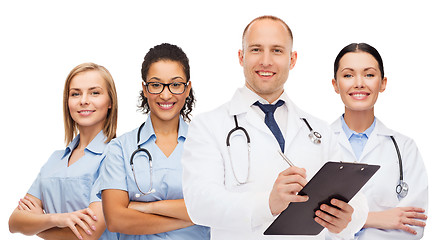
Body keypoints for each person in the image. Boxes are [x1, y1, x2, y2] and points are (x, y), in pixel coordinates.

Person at [181, 15, 367, 240]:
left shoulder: (319, 131)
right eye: (256, 49)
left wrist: (347, 218)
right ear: (241, 57)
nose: (266, 61)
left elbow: (357, 198)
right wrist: (267, 204)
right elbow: (199, 204)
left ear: (292, 59)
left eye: (277, 51)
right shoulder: (208, 126)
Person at [98, 43, 210, 240]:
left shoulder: (207, 145)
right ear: (145, 89)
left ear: (187, 88)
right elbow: (116, 219)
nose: (166, 95)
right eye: (156, 85)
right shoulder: (120, 149)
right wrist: (189, 217)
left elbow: (214, 207)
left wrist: (148, 207)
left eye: (175, 84)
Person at [8, 62, 119, 240]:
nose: (84, 100)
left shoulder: (116, 156)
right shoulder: (55, 159)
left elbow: (88, 232)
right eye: (75, 93)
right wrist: (57, 219)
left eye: (94, 92)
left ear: (110, 102)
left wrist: (38, 225)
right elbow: (14, 222)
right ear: (67, 102)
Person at [330, 43, 428, 239]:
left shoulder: (405, 148)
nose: (359, 83)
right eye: (348, 75)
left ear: (382, 83)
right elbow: (307, 225)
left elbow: (413, 227)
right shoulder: (319, 143)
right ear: (335, 85)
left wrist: (345, 223)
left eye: (369, 74)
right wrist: (374, 219)